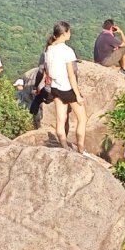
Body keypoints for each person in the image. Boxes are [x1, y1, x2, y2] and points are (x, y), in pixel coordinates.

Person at [44, 21, 88, 155]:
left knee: (60, 119)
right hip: (66, 88)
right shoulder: (67, 51)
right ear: (64, 34)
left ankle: (64, 147)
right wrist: (78, 95)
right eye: (69, 31)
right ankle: (81, 149)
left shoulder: (49, 49)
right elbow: (71, 75)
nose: (70, 34)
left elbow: (47, 70)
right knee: (82, 118)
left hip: (55, 87)